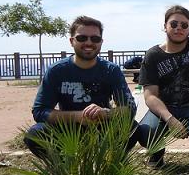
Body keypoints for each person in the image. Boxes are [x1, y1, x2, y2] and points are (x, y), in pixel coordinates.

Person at [24, 16, 138, 158]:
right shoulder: (57, 71)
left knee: (132, 127)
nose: (89, 43)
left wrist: (105, 113)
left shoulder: (111, 70)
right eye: (82, 38)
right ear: (72, 41)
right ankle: (64, 170)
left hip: (102, 129)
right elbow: (40, 112)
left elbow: (129, 109)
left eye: (95, 39)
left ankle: (110, 164)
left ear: (101, 42)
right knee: (35, 134)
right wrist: (77, 117)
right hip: (67, 130)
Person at [138, 5, 189, 168]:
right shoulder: (153, 55)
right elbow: (150, 96)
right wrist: (170, 119)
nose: (178, 28)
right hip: (164, 107)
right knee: (146, 131)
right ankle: (156, 154)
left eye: (184, 25)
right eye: (173, 24)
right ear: (165, 26)